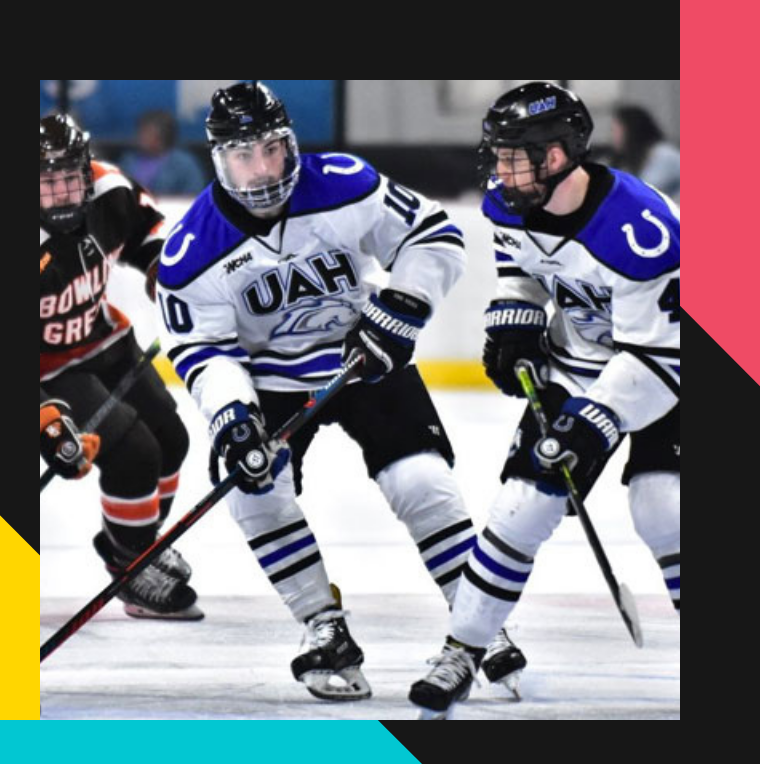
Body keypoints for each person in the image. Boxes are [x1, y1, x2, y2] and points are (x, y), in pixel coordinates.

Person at [155, 81, 525, 701]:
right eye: (244, 155)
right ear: (219, 160)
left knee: (420, 483)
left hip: (362, 352)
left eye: (272, 149)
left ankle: (478, 621)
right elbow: (203, 350)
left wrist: (402, 308)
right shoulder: (192, 252)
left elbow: (433, 235)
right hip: (267, 380)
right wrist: (234, 417)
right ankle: (323, 627)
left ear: (290, 143)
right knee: (255, 492)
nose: (263, 169)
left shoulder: (344, 184)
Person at [410, 82, 680, 719]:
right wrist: (516, 317)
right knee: (523, 504)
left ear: (559, 155)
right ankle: (462, 649)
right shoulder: (511, 204)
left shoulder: (642, 231)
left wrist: (596, 420)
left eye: (515, 156)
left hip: (668, 373)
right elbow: (524, 270)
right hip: (580, 367)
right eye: (498, 156)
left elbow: (658, 357)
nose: (502, 170)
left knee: (662, 507)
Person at [40, 114, 202, 621]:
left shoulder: (108, 187)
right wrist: (42, 419)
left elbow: (148, 228)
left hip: (103, 339)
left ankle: (135, 543)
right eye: (47, 184)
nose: (63, 194)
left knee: (173, 440)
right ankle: (131, 568)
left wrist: (161, 267)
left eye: (70, 179)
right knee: (135, 453)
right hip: (45, 372)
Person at [120, 109, 207, 196]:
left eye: (146, 133)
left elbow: (194, 196)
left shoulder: (185, 164)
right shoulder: (128, 160)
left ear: (161, 136)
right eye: (140, 131)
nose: (139, 136)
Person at [611, 104, 680, 201]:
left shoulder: (664, 155)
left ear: (631, 130)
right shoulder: (640, 158)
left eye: (616, 131)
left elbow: (643, 193)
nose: (614, 137)